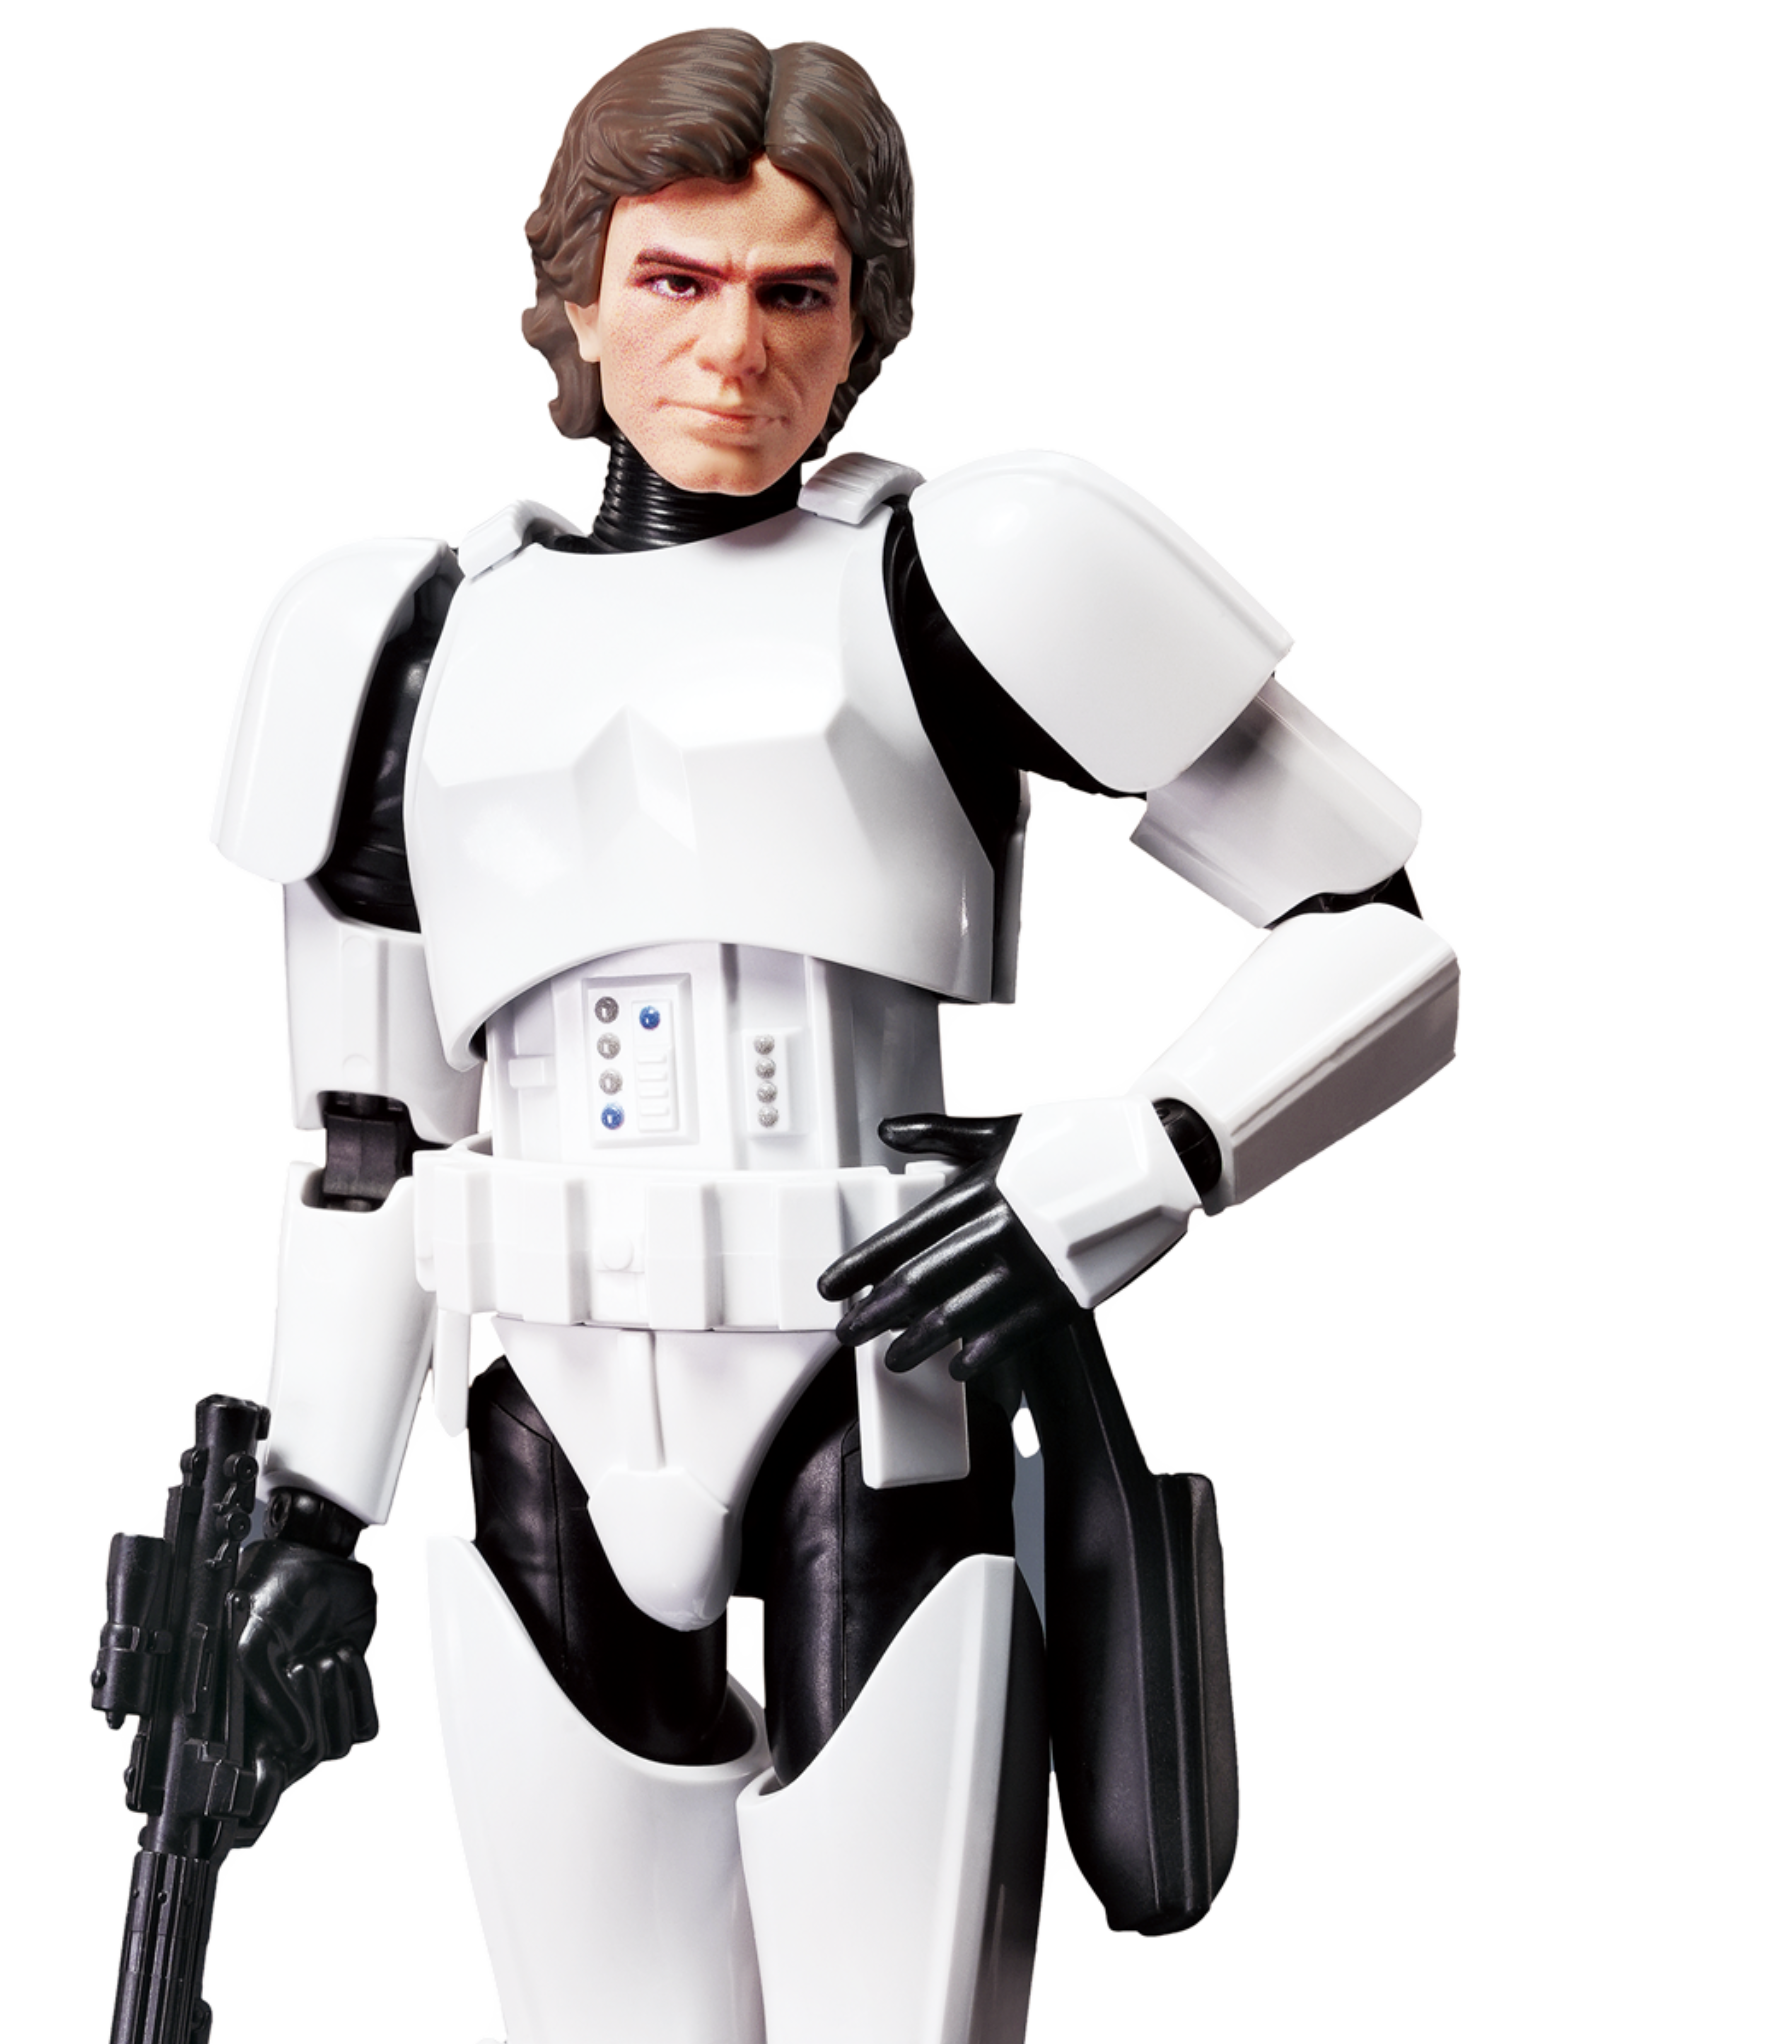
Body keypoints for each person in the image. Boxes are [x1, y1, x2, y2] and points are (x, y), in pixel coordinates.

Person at [208, 28, 1458, 2044]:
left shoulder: (960, 578)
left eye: (796, 294)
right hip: (548, 1408)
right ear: (576, 299)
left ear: (864, 319)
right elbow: (365, 1144)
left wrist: (1128, 1160)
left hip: (877, 1375)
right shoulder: (401, 644)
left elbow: (1375, 938)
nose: (733, 351)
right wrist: (305, 1508)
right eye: (675, 281)